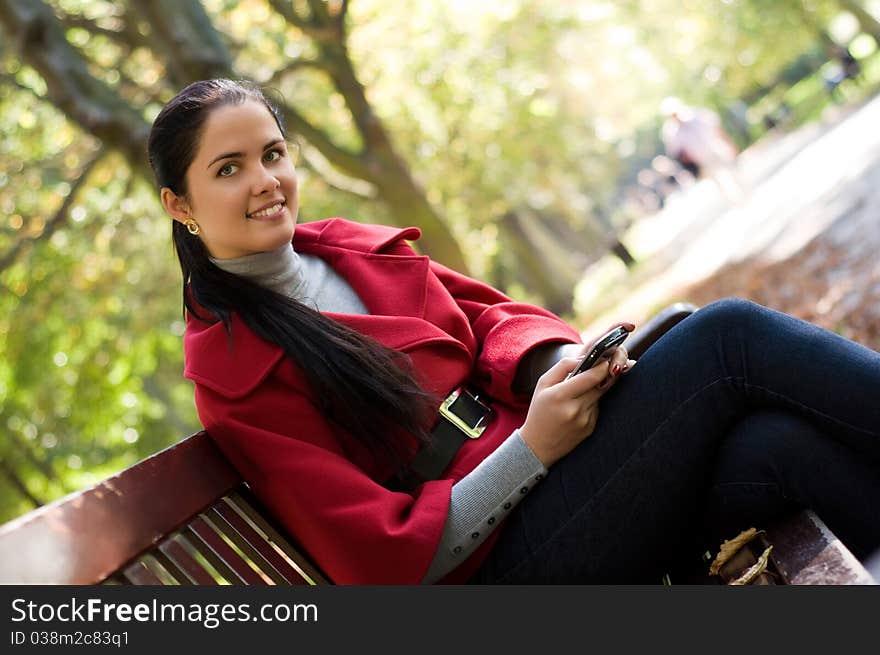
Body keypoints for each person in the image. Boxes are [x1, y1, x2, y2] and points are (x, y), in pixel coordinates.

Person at [148, 79, 880, 584]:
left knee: (779, 450)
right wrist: (532, 448)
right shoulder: (232, 372)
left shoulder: (341, 248)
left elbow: (490, 319)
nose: (265, 180)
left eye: (273, 154)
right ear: (180, 204)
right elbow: (384, 562)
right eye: (229, 169)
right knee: (726, 340)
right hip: (499, 566)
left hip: (563, 482)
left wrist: (560, 367)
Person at [659, 97, 748, 202]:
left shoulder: (696, 115)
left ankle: (745, 191)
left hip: (715, 148)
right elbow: (677, 154)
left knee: (733, 170)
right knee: (716, 181)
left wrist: (729, 143)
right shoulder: (671, 132)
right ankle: (731, 200)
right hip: (701, 160)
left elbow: (716, 128)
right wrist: (692, 168)